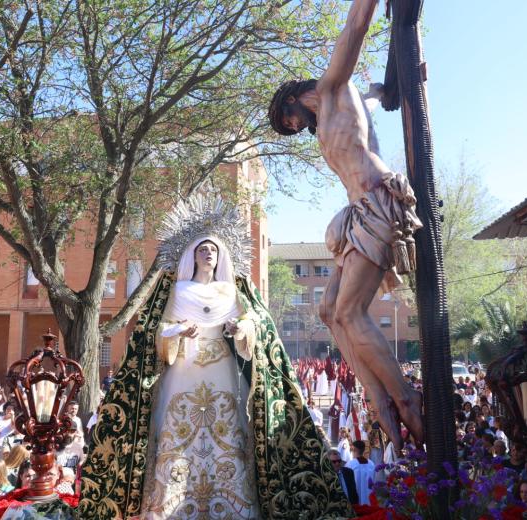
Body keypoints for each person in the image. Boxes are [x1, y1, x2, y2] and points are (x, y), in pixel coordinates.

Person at [80, 197, 351, 519]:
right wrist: (178, 332)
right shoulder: (175, 291)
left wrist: (241, 328)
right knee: (176, 431)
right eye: (202, 250)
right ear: (191, 256)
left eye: (213, 250)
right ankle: (170, 504)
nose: (208, 254)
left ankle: (234, 504)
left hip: (222, 368)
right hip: (184, 369)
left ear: (221, 256)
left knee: (229, 430)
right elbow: (156, 332)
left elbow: (256, 326)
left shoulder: (234, 291)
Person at [269, 0, 423, 448]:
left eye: (289, 119)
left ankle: (405, 398)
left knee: (350, 312)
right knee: (327, 310)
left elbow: (356, 24)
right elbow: (368, 102)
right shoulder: (345, 102)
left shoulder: (333, 86)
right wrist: (377, 93)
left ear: (293, 97)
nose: (295, 126)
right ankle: (378, 398)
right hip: (358, 210)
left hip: (376, 201)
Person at [344, 440, 375, 506]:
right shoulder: (371, 464)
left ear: (354, 449)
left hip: (355, 500)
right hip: (369, 499)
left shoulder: (350, 464)